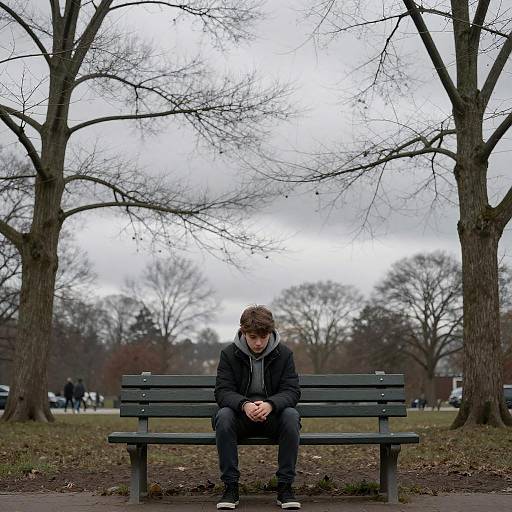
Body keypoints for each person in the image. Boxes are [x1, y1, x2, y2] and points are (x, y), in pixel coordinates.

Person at [214, 305, 301, 510]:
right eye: (253, 337)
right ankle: (230, 487)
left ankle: (285, 487)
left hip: (273, 417)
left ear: (270, 332)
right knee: (223, 416)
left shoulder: (285, 354)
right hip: (240, 417)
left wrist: (271, 404)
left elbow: (292, 391)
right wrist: (244, 405)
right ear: (244, 332)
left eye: (263, 336)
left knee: (291, 415)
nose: (259, 342)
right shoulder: (228, 354)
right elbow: (222, 391)